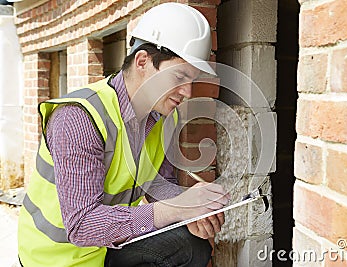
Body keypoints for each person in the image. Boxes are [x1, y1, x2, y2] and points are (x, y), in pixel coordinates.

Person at [18, 3, 230, 267]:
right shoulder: (79, 118)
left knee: (191, 246)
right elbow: (82, 225)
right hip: (54, 258)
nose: (187, 92)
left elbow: (156, 184)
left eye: (192, 79)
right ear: (143, 61)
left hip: (106, 248)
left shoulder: (164, 116)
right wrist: (173, 210)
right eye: (179, 76)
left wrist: (191, 209)